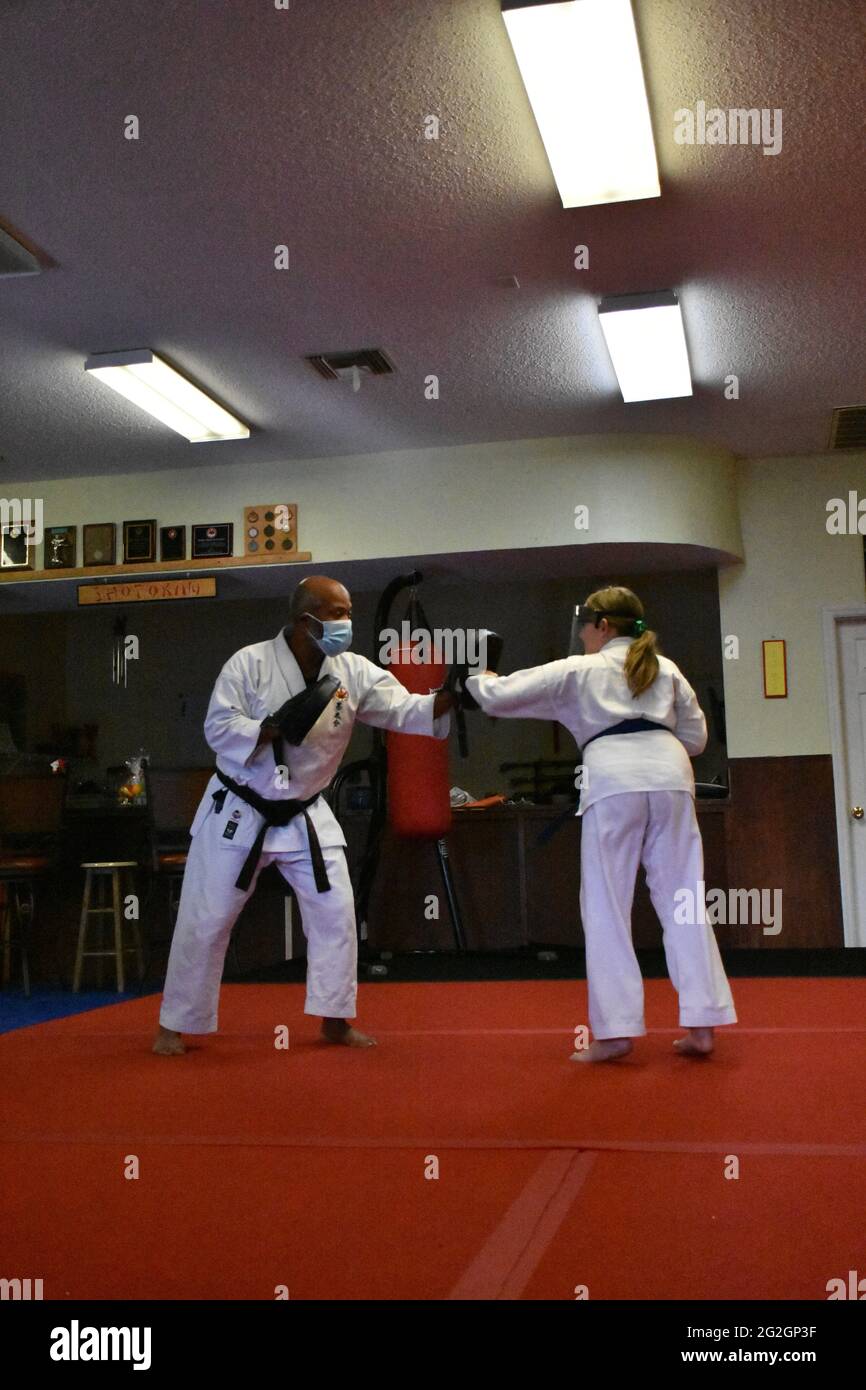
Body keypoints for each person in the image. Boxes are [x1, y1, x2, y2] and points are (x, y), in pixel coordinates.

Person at [153, 575, 452, 1055]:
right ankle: (174, 1024)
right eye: (335, 613)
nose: (345, 623)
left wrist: (450, 697)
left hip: (304, 811)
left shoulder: (352, 671)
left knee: (335, 915)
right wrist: (272, 729)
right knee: (207, 919)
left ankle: (335, 1019)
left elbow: (405, 708)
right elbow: (218, 726)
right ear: (303, 619)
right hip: (240, 808)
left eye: (348, 611)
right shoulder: (248, 664)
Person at [465, 585, 736, 1063]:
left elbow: (500, 696)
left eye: (587, 626)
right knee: (684, 900)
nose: (583, 634)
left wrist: (476, 677)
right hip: (672, 775)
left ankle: (615, 1032)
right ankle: (703, 1023)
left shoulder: (579, 670)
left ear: (602, 626)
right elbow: (695, 739)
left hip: (612, 779)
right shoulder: (666, 668)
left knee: (607, 905)